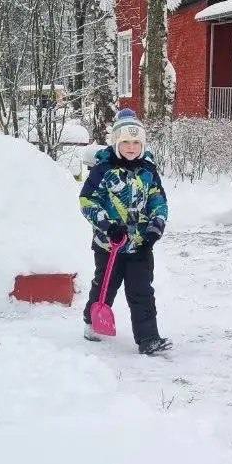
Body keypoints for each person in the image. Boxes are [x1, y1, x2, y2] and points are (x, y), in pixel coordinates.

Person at [79, 108, 172, 355]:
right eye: (126, 142)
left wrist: (153, 230)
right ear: (116, 143)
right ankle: (92, 322)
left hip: (140, 244)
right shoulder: (103, 170)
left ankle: (148, 339)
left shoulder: (148, 172)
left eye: (136, 142)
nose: (131, 147)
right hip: (109, 244)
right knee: (105, 285)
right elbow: (87, 202)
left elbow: (158, 202)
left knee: (142, 290)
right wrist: (108, 227)